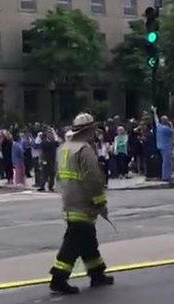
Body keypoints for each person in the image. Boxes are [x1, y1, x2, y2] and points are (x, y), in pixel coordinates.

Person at [49, 113, 113, 295]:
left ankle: (97, 273)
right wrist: (101, 203)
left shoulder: (63, 149)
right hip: (83, 202)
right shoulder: (84, 150)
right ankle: (58, 278)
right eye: (94, 129)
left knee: (87, 239)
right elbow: (93, 179)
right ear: (89, 130)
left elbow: (58, 176)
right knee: (74, 242)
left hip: (68, 200)